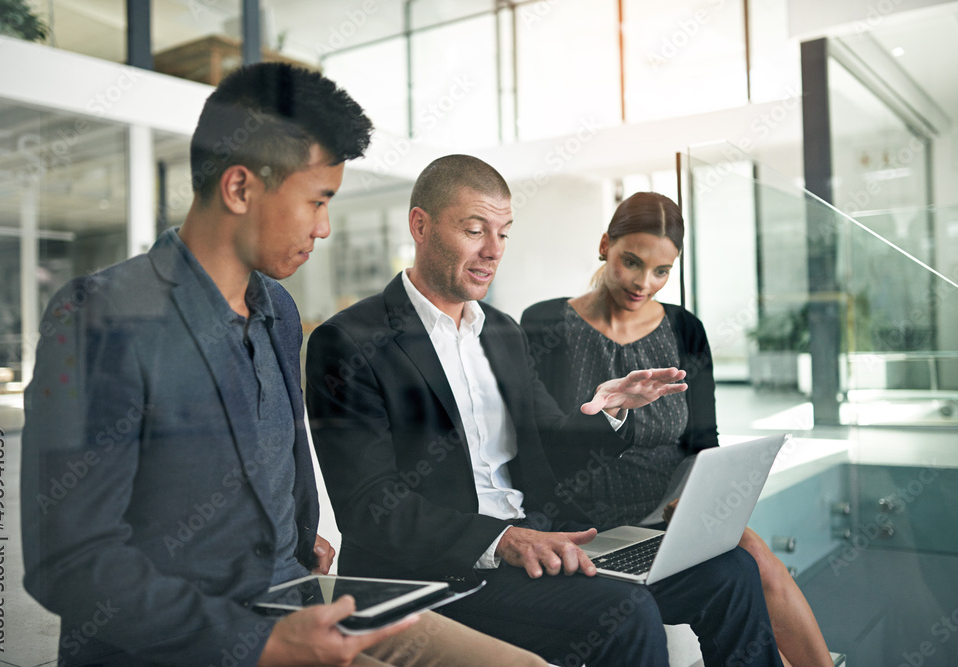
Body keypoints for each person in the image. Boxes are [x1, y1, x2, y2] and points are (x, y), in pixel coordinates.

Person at [20, 63, 547, 667]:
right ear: (240, 188)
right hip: (186, 644)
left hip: (294, 601)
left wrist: (299, 543)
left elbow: (278, 464)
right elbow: (69, 562)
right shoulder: (101, 316)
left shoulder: (278, 309)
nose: (324, 228)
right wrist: (259, 642)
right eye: (316, 201)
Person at [305, 154, 785, 667]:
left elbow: (549, 443)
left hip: (537, 542)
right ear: (420, 226)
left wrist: (609, 411)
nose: (493, 251)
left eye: (504, 234)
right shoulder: (350, 340)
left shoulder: (502, 330)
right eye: (474, 230)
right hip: (443, 572)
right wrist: (504, 539)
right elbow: (369, 506)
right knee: (625, 612)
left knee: (730, 571)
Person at [520, 191, 833, 667]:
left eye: (662, 271)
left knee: (757, 557)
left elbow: (702, 442)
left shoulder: (685, 329)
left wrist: (692, 500)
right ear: (605, 245)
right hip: (584, 519)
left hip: (667, 513)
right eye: (632, 261)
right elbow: (543, 444)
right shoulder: (545, 323)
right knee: (738, 569)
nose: (644, 282)